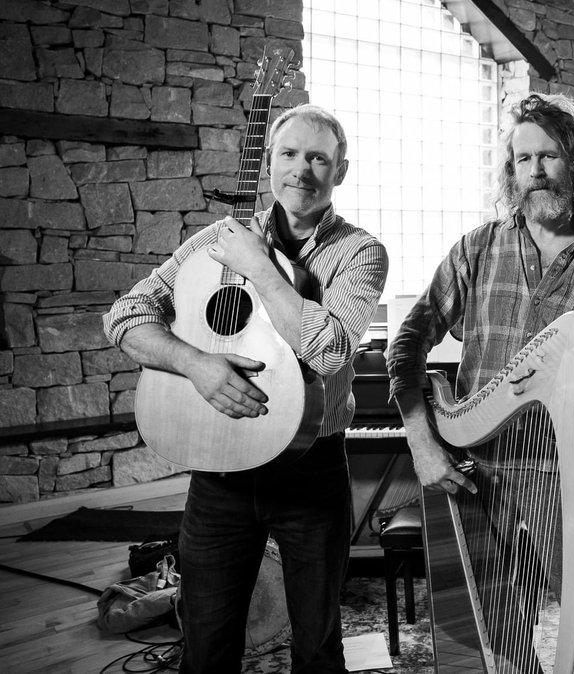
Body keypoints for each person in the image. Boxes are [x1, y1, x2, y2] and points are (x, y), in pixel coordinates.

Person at [104, 104, 388, 673]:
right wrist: (196, 365)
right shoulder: (217, 239)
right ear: (268, 162)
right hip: (220, 475)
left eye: (318, 158)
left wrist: (258, 266)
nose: (301, 170)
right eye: (288, 154)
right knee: (206, 647)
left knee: (317, 648)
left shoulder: (360, 252)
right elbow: (124, 315)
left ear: (340, 170)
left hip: (311, 473)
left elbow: (328, 351)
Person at [386, 93, 574, 673]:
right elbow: (406, 343)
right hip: (478, 468)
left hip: (570, 468)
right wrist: (423, 444)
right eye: (523, 159)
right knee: (492, 630)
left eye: (549, 156)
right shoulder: (477, 248)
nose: (536, 171)